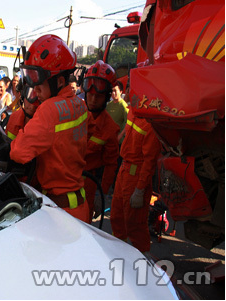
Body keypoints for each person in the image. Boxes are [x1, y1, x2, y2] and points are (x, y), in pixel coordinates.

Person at [10, 34, 89, 223]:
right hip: (79, 206)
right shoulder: (80, 104)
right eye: (30, 77)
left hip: (60, 213)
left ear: (59, 82)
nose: (34, 88)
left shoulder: (48, 110)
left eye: (39, 80)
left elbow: (18, 153)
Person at [110, 83, 162, 254]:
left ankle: (143, 261)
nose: (127, 95)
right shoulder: (133, 111)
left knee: (135, 225)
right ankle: (119, 254)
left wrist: (140, 189)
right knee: (117, 217)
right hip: (124, 169)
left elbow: (149, 162)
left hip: (136, 175)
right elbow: (126, 132)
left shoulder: (151, 123)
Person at [82, 61, 120, 221]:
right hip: (64, 176)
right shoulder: (75, 112)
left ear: (106, 97)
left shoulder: (110, 128)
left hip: (88, 183)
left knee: (83, 224)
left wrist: (102, 194)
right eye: (90, 94)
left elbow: (111, 165)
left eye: (98, 96)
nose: (92, 99)